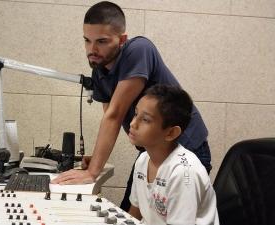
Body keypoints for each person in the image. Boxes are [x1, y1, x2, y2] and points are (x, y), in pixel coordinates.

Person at [51, 1, 212, 212]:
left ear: (122, 40)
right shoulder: (99, 71)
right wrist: (97, 159)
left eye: (101, 41)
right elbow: (110, 117)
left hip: (185, 147)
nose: (92, 50)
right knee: (131, 212)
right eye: (87, 41)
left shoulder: (139, 49)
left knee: (162, 217)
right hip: (150, 151)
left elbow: (115, 115)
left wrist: (93, 172)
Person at [127, 84, 219, 225]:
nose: (133, 123)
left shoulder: (183, 173)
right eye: (135, 113)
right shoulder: (143, 160)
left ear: (170, 133)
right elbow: (135, 212)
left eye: (145, 119)